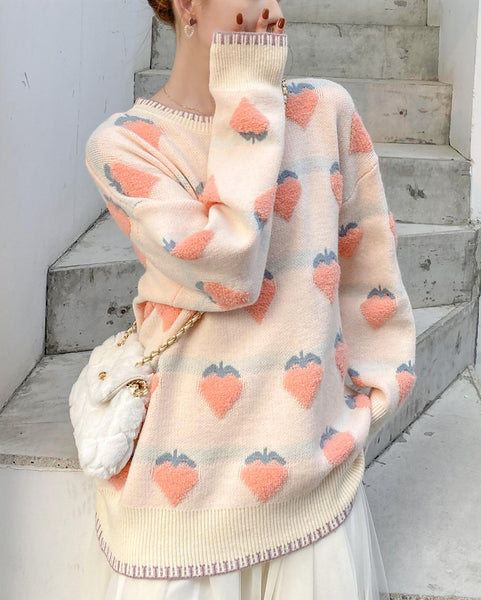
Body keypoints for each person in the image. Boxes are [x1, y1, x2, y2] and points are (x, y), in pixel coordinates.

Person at [79, 0, 417, 598]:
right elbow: (232, 269)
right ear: (187, 4)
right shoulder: (125, 146)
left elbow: (369, 268)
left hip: (309, 477)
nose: (275, 10)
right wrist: (249, 97)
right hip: (182, 499)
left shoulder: (324, 111)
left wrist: (372, 394)